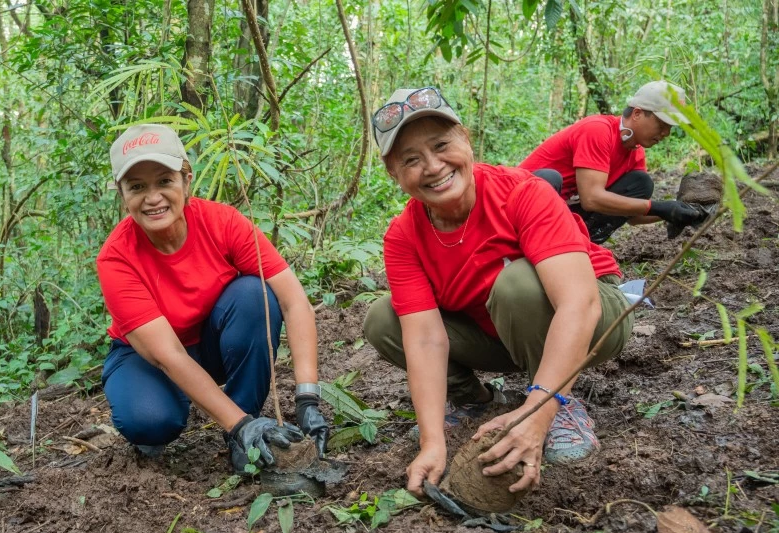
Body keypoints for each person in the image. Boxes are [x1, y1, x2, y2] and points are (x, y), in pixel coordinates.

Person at [361, 88, 633, 497]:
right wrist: (432, 443)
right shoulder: (404, 236)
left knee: (517, 284)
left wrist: (537, 413)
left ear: (466, 140)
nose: (433, 167)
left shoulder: (522, 193)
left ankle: (557, 404)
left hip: (596, 316)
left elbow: (580, 303)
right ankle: (475, 399)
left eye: (441, 146)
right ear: (394, 175)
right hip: (500, 334)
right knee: (384, 319)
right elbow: (425, 338)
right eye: (411, 160)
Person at [96, 124, 330, 474]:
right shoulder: (116, 258)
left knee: (255, 294)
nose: (153, 197)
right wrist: (241, 424)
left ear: (186, 180)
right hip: (149, 357)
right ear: (122, 194)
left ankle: (242, 426)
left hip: (211, 342)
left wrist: (307, 398)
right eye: (137, 187)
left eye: (164, 181)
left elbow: (293, 300)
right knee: (149, 419)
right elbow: (168, 356)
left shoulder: (222, 223)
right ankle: (238, 426)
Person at [519, 80, 710, 245]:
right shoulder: (597, 130)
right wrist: (657, 206)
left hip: (557, 214)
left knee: (641, 183)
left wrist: (678, 211)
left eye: (669, 128)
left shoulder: (635, 154)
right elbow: (591, 198)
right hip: (518, 209)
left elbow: (632, 215)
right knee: (547, 179)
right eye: (662, 125)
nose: (666, 133)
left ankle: (573, 246)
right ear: (637, 114)